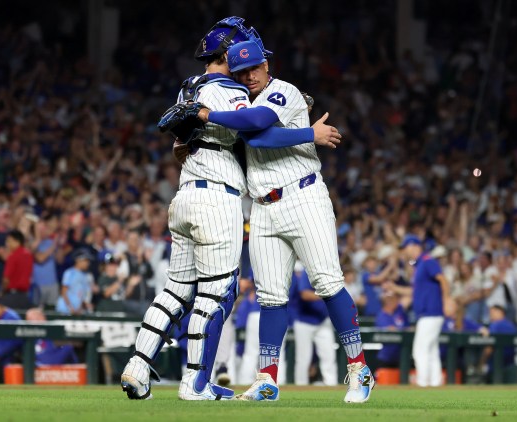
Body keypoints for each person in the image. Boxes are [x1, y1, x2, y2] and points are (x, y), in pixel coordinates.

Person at [121, 17, 337, 401]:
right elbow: (254, 127)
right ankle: (196, 383)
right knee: (217, 293)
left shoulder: (187, 89)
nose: (246, 57)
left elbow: (180, 145)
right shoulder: (226, 89)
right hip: (217, 199)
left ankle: (138, 367)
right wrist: (307, 129)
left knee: (175, 291)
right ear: (226, 54)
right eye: (238, 49)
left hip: (185, 193)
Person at [190, 39, 372, 403]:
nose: (249, 75)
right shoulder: (238, 102)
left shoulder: (283, 90)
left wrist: (207, 115)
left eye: (254, 67)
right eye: (241, 71)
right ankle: (267, 379)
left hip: (303, 195)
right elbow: (250, 130)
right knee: (270, 296)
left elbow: (260, 133)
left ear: (266, 66)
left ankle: (359, 369)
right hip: (262, 206)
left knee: (327, 281)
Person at [399, 234, 451, 387]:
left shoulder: (428, 261)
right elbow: (416, 291)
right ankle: (435, 383)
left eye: (406, 247)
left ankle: (423, 383)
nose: (405, 251)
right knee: (431, 351)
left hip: (431, 312)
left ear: (414, 245)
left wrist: (447, 300)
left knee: (419, 350)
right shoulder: (419, 264)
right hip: (427, 313)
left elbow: (443, 279)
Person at [293, 262, 338, 386]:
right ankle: (300, 386)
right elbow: (304, 294)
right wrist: (325, 296)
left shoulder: (329, 273)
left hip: (323, 319)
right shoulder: (307, 271)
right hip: (304, 320)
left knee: (328, 354)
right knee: (303, 358)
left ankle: (331, 384)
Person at [374, 292, 410, 368]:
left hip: (402, 355)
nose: (396, 301)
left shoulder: (399, 311)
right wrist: (405, 330)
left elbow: (408, 299)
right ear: (387, 302)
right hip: (387, 357)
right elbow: (391, 329)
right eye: (392, 299)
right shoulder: (382, 316)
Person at [1, 230, 34, 310]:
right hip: (25, 297)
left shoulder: (13, 256)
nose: (7, 244)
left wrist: (2, 292)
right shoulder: (29, 255)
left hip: (11, 297)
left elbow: (6, 279)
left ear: (17, 241)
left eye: (9, 241)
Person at [31, 217, 59, 308]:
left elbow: (60, 259)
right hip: (38, 285)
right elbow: (40, 259)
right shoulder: (31, 243)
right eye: (40, 228)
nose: (43, 230)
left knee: (52, 310)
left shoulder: (50, 242)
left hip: (52, 283)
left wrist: (59, 243)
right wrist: (54, 245)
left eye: (44, 227)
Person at [56, 249, 94, 315]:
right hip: (64, 311)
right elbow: (63, 292)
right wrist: (70, 308)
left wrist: (85, 305)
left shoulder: (85, 276)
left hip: (76, 312)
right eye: (86, 260)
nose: (88, 263)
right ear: (78, 260)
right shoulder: (69, 273)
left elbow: (81, 295)